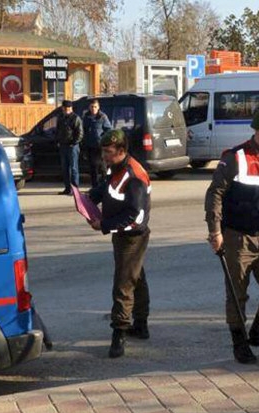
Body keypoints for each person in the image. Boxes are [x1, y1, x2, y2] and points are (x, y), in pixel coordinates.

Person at [205, 105, 259, 364]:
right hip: (237, 238)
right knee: (237, 294)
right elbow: (215, 193)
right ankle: (240, 342)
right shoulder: (235, 157)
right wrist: (215, 231)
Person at [87, 130, 152, 358]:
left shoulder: (134, 176)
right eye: (103, 151)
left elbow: (135, 216)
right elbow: (107, 189)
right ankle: (141, 324)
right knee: (136, 278)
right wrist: (89, 198)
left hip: (132, 236)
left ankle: (119, 335)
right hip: (122, 234)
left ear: (121, 151)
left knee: (123, 284)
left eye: (108, 152)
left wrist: (104, 225)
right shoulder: (117, 167)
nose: (104, 156)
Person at [83, 99, 112, 188]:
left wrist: (103, 139)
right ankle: (94, 186)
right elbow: (84, 129)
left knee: (102, 167)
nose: (93, 108)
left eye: (95, 107)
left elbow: (108, 130)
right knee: (92, 167)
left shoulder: (102, 117)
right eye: (92, 107)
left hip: (100, 146)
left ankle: (105, 186)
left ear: (98, 107)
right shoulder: (86, 117)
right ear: (89, 107)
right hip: (90, 145)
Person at [56, 100, 83, 195]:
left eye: (68, 108)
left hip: (73, 146)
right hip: (63, 145)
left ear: (71, 108)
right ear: (63, 108)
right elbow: (58, 130)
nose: (67, 110)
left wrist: (74, 142)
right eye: (65, 108)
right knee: (64, 168)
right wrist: (58, 141)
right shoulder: (60, 118)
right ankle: (67, 188)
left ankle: (75, 189)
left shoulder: (75, 118)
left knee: (74, 168)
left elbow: (80, 133)